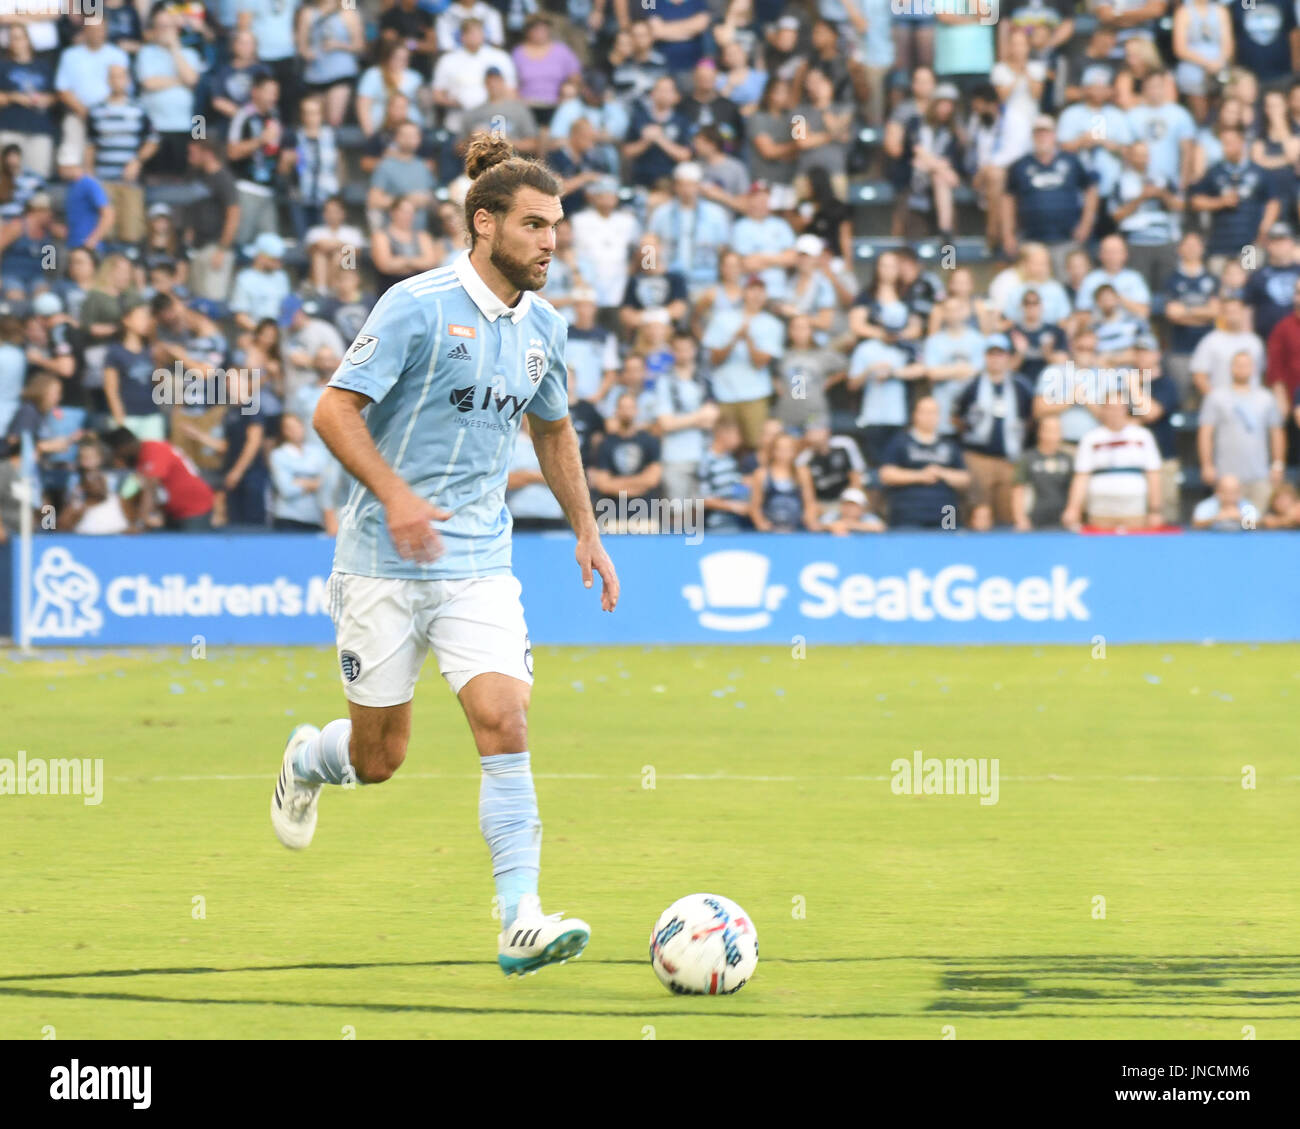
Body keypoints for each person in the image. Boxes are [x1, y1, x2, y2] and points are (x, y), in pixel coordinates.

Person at [273, 135, 617, 978]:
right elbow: (332, 411)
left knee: (506, 718)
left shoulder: (546, 326)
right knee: (377, 758)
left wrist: (586, 527)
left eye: (557, 227)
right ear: (483, 222)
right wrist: (394, 495)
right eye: (534, 225)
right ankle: (307, 760)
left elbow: (554, 426)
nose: (550, 242)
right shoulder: (414, 305)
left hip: (478, 565)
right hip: (379, 563)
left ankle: (521, 918)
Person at [1198, 350, 1286, 515]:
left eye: (1247, 365)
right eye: (1238, 365)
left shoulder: (1266, 398)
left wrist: (1278, 464)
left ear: (1254, 368)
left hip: (1259, 474)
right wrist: (1207, 464)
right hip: (1227, 478)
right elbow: (1205, 432)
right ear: (1231, 368)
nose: (1242, 368)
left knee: (1255, 525)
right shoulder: (1217, 397)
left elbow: (1276, 432)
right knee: (1228, 525)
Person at [1062, 400, 1163, 531]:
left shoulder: (1143, 436)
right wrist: (1073, 508)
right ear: (1103, 410)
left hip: (1134, 509)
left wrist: (1155, 510)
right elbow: (1082, 476)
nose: (1114, 413)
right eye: (1110, 408)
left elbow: (1153, 474)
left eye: (1119, 408)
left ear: (1125, 410)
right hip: (1100, 510)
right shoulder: (1091, 438)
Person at [877, 395, 971, 529]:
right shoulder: (900, 442)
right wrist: (921, 475)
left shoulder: (950, 445)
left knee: (950, 543)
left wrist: (941, 473)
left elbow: (965, 479)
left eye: (933, 413)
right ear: (915, 415)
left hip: (946, 513)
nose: (929, 417)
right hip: (908, 512)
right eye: (925, 412)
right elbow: (886, 475)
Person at [105, 425, 214, 531]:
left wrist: (140, 523)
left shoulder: (153, 450)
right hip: (175, 511)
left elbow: (151, 490)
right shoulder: (142, 456)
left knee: (192, 547)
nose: (117, 458)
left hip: (194, 508)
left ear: (123, 448)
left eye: (117, 453)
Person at [269, 412, 335, 532]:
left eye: (297, 426)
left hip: (315, 519)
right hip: (288, 519)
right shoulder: (278, 455)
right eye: (290, 428)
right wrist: (315, 483)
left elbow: (328, 482)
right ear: (284, 432)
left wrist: (300, 482)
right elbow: (287, 489)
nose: (295, 431)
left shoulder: (318, 452)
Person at [749, 430, 819, 532]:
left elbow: (810, 502)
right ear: (773, 451)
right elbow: (755, 506)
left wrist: (810, 520)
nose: (784, 453)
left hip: (798, 528)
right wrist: (761, 523)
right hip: (770, 529)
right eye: (780, 449)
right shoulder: (761, 474)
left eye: (788, 449)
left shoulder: (802, 472)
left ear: (795, 451)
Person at [1012, 414, 1073, 530]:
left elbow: (1073, 490)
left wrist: (1072, 512)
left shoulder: (1067, 459)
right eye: (1049, 430)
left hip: (1062, 521)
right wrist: (1020, 518)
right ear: (1040, 432)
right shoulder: (1028, 458)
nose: (1053, 435)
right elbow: (1018, 490)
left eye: (1057, 430)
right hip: (1034, 520)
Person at [1191, 474, 1257, 531]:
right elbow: (1195, 524)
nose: (1230, 496)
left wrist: (1241, 519)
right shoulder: (1206, 505)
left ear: (1239, 493)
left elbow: (1258, 525)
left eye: (1234, 492)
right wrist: (1215, 519)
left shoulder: (1247, 506)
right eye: (1226, 491)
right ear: (1217, 492)